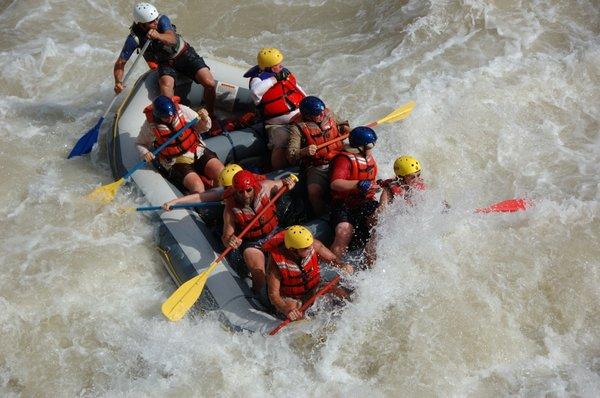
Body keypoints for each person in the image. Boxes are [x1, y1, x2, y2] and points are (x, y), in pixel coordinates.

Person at [114, 3, 217, 116]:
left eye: (155, 19)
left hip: (184, 54)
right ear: (141, 25)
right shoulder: (134, 38)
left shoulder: (162, 20)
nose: (156, 22)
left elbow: (172, 39)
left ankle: (211, 114)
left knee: (210, 83)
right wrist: (118, 82)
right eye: (151, 22)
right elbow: (120, 63)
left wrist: (158, 35)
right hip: (165, 63)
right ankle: (176, 120)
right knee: (166, 92)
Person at [222, 171, 296, 294]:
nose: (245, 195)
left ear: (253, 186)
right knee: (258, 272)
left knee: (294, 257)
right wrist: (231, 240)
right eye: (241, 192)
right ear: (235, 191)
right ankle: (257, 294)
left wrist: (289, 183)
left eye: (248, 190)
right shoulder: (230, 208)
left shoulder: (265, 187)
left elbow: (284, 183)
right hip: (252, 244)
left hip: (274, 233)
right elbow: (226, 236)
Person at [136, 95, 224, 194]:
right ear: (157, 115)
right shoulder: (149, 126)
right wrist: (145, 153)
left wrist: (205, 119)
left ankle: (220, 197)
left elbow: (203, 128)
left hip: (196, 150)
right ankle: (201, 205)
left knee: (221, 172)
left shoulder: (182, 110)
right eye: (166, 117)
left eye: (172, 114)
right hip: (175, 161)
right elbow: (140, 143)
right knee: (198, 187)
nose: (170, 118)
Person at [263, 225, 353, 321]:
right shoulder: (276, 263)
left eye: (310, 245)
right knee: (292, 309)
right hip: (292, 297)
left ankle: (352, 309)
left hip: (315, 288)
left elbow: (333, 259)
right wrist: (286, 309)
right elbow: (274, 295)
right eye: (305, 248)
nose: (310, 249)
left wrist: (342, 265)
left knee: (338, 291)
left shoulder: (313, 245)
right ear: (293, 250)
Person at [243, 48, 307, 170]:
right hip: (277, 125)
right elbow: (256, 92)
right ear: (270, 68)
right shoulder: (257, 79)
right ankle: (278, 170)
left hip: (299, 116)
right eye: (278, 65)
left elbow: (298, 89)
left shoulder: (284, 73)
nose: (281, 66)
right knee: (280, 139)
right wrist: (275, 79)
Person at [286, 96, 350, 216]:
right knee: (313, 192)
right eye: (318, 114)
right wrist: (304, 151)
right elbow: (291, 154)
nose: (322, 115)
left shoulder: (327, 113)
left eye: (322, 112)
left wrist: (346, 129)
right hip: (317, 166)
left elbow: (342, 124)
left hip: (339, 158)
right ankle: (322, 217)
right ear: (308, 115)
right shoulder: (297, 127)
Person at [329, 126, 379, 260]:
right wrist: (357, 184)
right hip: (344, 205)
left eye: (372, 144)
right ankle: (336, 264)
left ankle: (372, 258)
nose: (372, 147)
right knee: (344, 231)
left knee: (381, 221)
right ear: (359, 147)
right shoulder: (344, 160)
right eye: (369, 145)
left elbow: (372, 181)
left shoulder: (367, 158)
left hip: (364, 202)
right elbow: (335, 183)